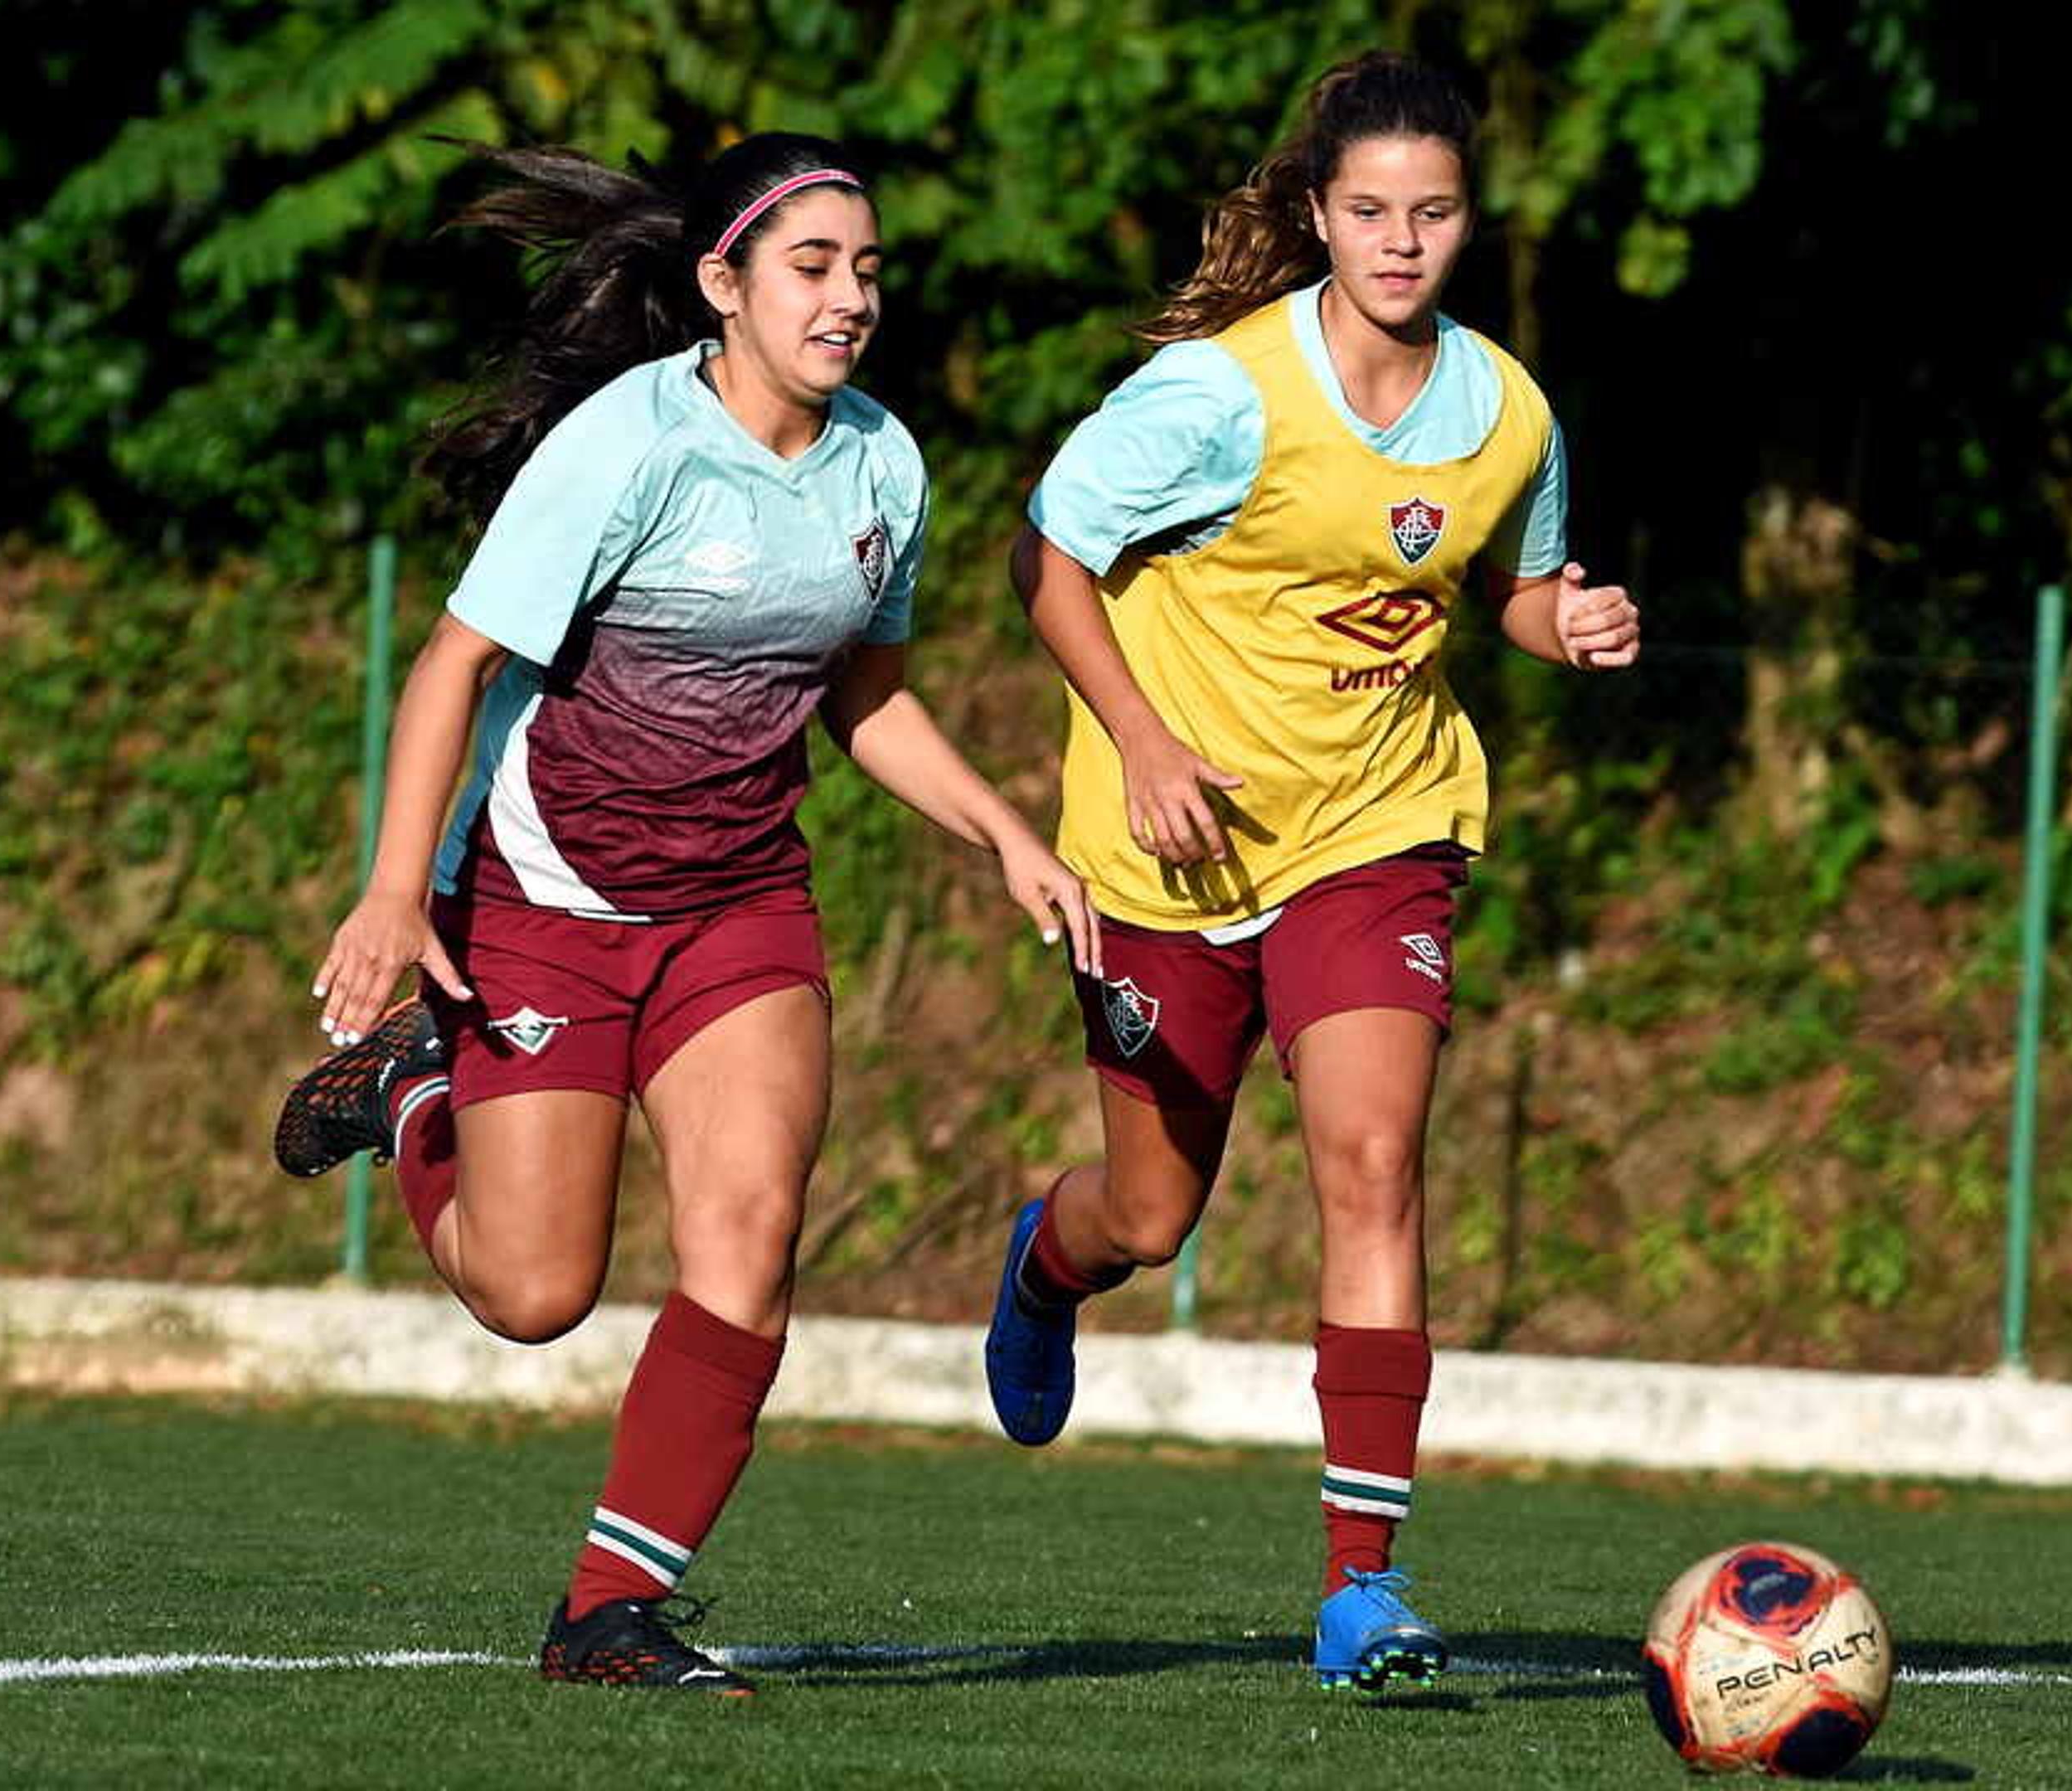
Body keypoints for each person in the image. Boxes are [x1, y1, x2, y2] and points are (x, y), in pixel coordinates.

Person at [271, 133, 1098, 1698]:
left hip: (739, 907)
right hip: (544, 901)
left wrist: (1004, 831)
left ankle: (607, 1612)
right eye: (812, 265)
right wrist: (392, 890)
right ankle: (415, 1088)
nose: (849, 296)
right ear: (721, 286)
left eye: (866, 268)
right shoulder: (623, 445)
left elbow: (865, 695)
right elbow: (453, 664)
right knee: (533, 1295)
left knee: (752, 1231)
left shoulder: (881, 464)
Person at [978, 52, 1641, 1692]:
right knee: (1151, 1212)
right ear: (1321, 215)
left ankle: (1364, 1587)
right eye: (1370, 212)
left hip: (1377, 829)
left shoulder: (1510, 411)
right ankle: (1046, 1264)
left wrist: (1567, 621)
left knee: (1374, 1160)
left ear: (1466, 218)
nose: (1402, 242)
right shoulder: (1219, 395)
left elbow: (1509, 580)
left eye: (1432, 212)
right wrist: (1138, 741)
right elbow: (1046, 558)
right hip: (1174, 847)